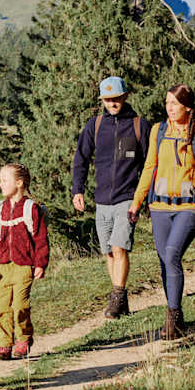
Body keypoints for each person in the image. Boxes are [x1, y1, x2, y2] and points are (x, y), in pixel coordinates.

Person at [129, 84, 195, 340]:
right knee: (165, 260)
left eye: (174, 103)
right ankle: (177, 316)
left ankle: (172, 317)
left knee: (172, 254)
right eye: (167, 102)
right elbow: (149, 167)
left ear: (187, 107)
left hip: (190, 206)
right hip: (159, 206)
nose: (169, 108)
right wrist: (136, 202)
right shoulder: (157, 131)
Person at [71, 76, 149, 319]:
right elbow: (81, 159)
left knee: (120, 246)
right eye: (107, 99)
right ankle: (121, 300)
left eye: (116, 98)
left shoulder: (138, 125)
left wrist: (142, 196)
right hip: (102, 199)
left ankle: (117, 296)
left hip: (127, 197)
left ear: (125, 97)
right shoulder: (94, 125)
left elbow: (149, 163)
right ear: (102, 101)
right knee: (108, 252)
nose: (112, 103)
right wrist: (78, 190)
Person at [0, 163, 49, 360]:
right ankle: (4, 345)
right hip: (3, 267)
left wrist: (40, 263)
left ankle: (23, 339)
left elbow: (40, 238)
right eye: (0, 179)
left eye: (5, 180)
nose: (0, 184)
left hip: (24, 266)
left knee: (20, 305)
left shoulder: (31, 208)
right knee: (0, 306)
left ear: (19, 183)